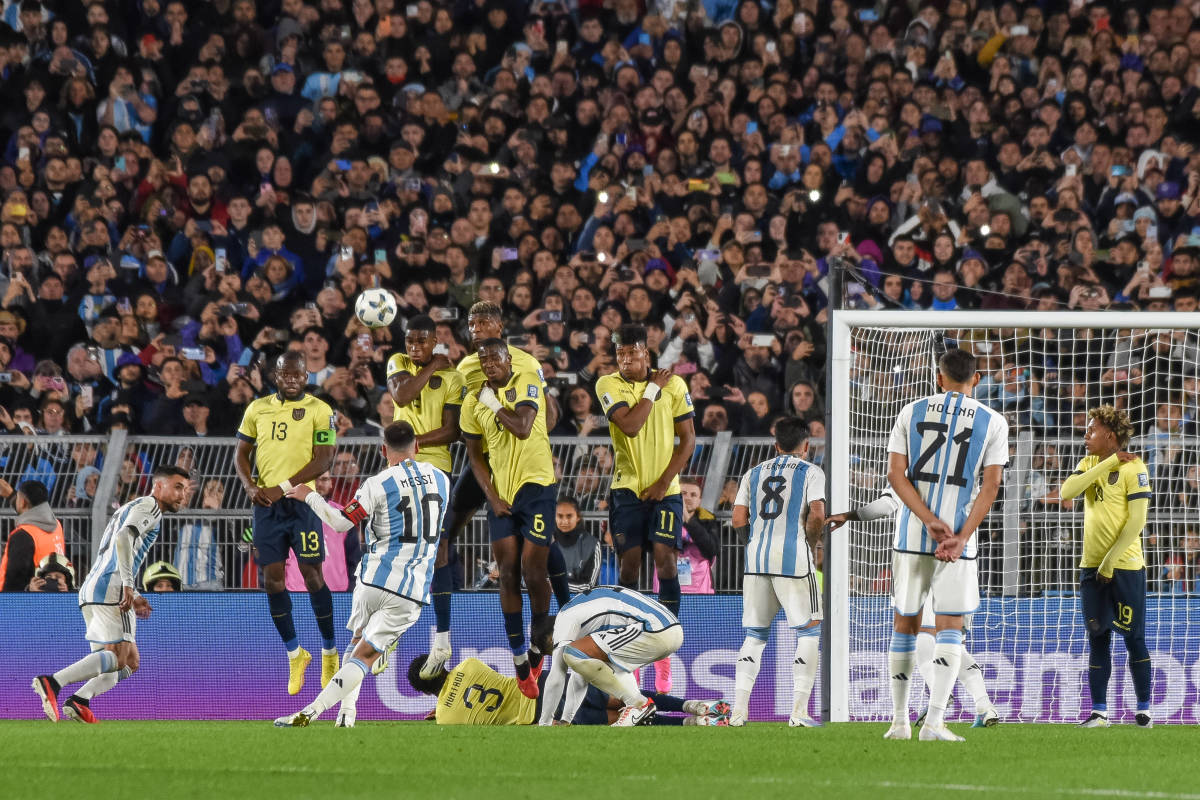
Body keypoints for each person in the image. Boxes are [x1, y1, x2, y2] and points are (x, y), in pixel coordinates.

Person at [421, 301, 568, 681]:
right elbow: (465, 431)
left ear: (500, 326)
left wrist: (538, 441)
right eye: (471, 322)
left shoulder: (525, 366)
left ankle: (564, 610)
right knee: (445, 536)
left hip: (528, 465)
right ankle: (442, 636)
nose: (476, 327)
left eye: (483, 320)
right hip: (487, 465)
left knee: (535, 560)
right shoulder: (467, 370)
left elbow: (544, 417)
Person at [274, 422, 450, 728]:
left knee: (355, 644)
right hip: (412, 590)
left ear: (383, 450)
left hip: (374, 580)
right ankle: (316, 712)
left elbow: (342, 522)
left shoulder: (378, 484)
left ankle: (345, 714)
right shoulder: (441, 479)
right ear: (417, 447)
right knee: (366, 655)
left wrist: (308, 496)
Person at [881, 348, 1008, 742]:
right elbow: (991, 487)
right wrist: (960, 535)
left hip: (911, 537)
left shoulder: (911, 411)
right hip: (958, 543)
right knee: (951, 628)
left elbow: (896, 477)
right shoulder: (993, 421)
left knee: (906, 623)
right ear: (977, 379)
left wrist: (927, 521)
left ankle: (900, 722)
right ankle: (934, 723)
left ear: (939, 377)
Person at [31, 467, 190, 724]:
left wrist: (134, 591)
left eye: (186, 489)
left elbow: (116, 550)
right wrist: (128, 585)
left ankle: (80, 700)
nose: (183, 495)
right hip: (112, 588)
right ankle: (53, 682)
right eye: (178, 487)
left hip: (94, 587)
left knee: (129, 661)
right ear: (158, 486)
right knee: (118, 657)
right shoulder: (150, 506)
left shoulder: (134, 506)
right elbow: (124, 538)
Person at [828, 492, 1000, 728]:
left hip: (920, 562)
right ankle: (984, 706)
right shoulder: (966, 470)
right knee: (954, 646)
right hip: (963, 564)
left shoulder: (910, 472)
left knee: (922, 640)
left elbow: (886, 504)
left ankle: (940, 694)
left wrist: (849, 515)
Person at [594, 323, 696, 692]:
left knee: (666, 559)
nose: (626, 360)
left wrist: (662, 480)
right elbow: (632, 426)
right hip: (625, 490)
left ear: (646, 354)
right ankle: (629, 642)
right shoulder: (608, 385)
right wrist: (653, 388)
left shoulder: (677, 387)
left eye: (632, 353)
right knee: (630, 565)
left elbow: (688, 440)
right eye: (620, 354)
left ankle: (664, 642)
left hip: (665, 489)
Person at [459, 338, 558, 699]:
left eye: (494, 358)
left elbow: (523, 426)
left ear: (508, 358)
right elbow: (475, 457)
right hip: (501, 495)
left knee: (534, 570)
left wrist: (493, 402)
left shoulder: (526, 382)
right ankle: (519, 660)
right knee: (508, 574)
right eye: (483, 360)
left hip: (537, 487)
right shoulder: (472, 402)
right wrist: (492, 496)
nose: (488, 364)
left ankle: (538, 646)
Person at [234, 350, 338, 695]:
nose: (292, 379)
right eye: (285, 374)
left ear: (306, 376)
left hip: (302, 503)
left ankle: (329, 651)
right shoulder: (257, 408)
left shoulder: (320, 411)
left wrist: (283, 487)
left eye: (298, 374)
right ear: (275, 376)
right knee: (273, 581)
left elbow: (324, 459)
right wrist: (250, 487)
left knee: (312, 575)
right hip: (265, 506)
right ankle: (296, 654)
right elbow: (241, 454)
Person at [729, 417, 826, 728]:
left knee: (755, 636)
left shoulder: (753, 472)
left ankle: (738, 713)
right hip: (794, 559)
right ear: (806, 446)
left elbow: (738, 519)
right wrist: (812, 542)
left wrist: (753, 544)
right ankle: (798, 712)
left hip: (755, 561)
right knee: (808, 632)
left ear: (776, 445)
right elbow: (818, 513)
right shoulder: (811, 471)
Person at [1059, 406, 1153, 728]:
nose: (1086, 435)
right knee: (1097, 637)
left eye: (1092, 429)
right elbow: (1066, 492)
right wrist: (1109, 462)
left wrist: (1111, 562)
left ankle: (1144, 710)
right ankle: (1099, 711)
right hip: (1091, 567)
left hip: (1125, 567)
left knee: (1133, 638)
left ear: (1109, 435)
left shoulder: (1136, 468)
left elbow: (1137, 522)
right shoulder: (1089, 464)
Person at [386, 313, 462, 667]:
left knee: (439, 548)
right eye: (410, 341)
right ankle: (385, 635)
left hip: (437, 469)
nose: (415, 347)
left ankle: (443, 637)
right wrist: (432, 368)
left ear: (435, 340)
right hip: (400, 467)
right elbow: (402, 393)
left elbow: (451, 431)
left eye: (422, 341)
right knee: (401, 547)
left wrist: (414, 443)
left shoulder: (454, 377)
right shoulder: (398, 364)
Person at [535, 586, 683, 727]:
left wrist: (545, 723)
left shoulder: (564, 620)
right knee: (595, 660)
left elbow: (556, 677)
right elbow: (580, 676)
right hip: (670, 629)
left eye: (552, 651)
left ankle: (638, 705)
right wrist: (565, 720)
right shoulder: (583, 618)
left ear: (551, 639)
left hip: (654, 630)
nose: (556, 654)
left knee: (570, 654)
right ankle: (694, 709)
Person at [0, 480, 65, 591]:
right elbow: (34, 512)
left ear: (23, 502)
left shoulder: (22, 536)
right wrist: (11, 495)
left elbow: (14, 582)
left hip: (24, 603)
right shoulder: (56, 525)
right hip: (49, 595)